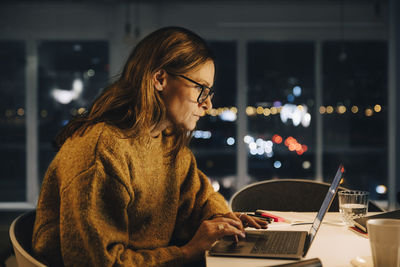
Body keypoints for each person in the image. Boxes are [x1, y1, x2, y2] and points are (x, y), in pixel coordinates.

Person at [32, 26, 267, 266]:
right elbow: (100, 262)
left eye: (209, 91)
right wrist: (188, 252)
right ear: (160, 79)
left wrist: (224, 219)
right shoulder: (102, 152)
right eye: (200, 89)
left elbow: (200, 196)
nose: (207, 104)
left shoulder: (167, 138)